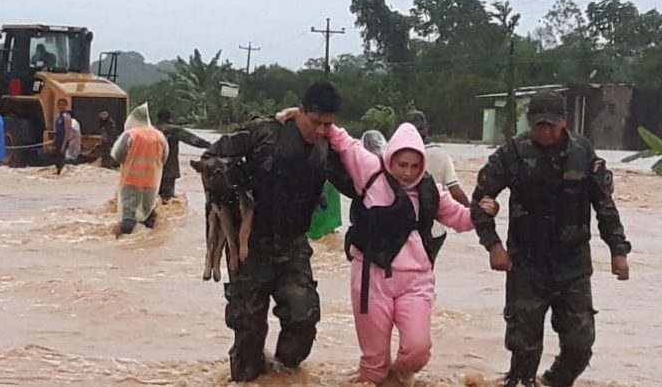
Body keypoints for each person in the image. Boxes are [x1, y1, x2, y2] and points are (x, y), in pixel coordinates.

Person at [276, 114, 496, 385]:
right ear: (389, 157)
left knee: (418, 351)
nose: (407, 172)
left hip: (416, 282)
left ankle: (398, 376)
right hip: (371, 279)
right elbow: (343, 142)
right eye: (402, 164)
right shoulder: (369, 172)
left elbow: (461, 219)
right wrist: (306, 117)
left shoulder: (432, 191)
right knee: (374, 364)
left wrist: (483, 212)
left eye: (415, 166)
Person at [471, 90, 632, 387]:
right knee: (524, 348)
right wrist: (494, 246)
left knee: (580, 344)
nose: (545, 132)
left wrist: (618, 250)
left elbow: (604, 206)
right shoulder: (513, 153)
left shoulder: (583, 153)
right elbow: (480, 201)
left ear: (564, 122)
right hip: (526, 266)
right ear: (530, 122)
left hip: (572, 267)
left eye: (551, 125)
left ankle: (553, 381)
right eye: (538, 125)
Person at [201, 82, 354, 383]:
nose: (321, 130)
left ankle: (283, 372)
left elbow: (358, 184)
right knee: (247, 339)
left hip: (292, 247)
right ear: (301, 112)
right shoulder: (263, 134)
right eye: (316, 122)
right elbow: (209, 158)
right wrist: (230, 182)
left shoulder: (327, 148)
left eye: (328, 124)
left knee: (304, 317)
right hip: (249, 247)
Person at [402, 110, 469, 265]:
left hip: (405, 231)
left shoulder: (397, 157)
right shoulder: (440, 154)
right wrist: (473, 212)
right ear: (427, 128)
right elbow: (455, 190)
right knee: (425, 273)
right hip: (436, 231)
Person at [110, 103, 168, 236]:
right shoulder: (160, 136)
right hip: (152, 183)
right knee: (148, 214)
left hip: (130, 181)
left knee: (128, 215)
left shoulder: (131, 134)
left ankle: (126, 246)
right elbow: (164, 159)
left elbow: (117, 156)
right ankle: (147, 246)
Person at [154, 109, 212, 203]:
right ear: (170, 119)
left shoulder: (150, 131)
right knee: (167, 201)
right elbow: (194, 140)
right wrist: (212, 146)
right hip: (169, 172)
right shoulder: (174, 131)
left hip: (151, 171)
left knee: (153, 201)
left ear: (157, 119)